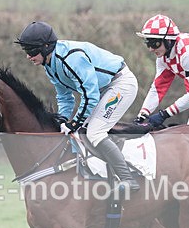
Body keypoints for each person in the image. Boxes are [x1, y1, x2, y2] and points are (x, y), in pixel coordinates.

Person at [15, 21, 141, 191]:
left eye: (31, 51)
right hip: (102, 89)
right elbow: (65, 97)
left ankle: (128, 179)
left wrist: (73, 123)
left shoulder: (71, 59)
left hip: (120, 85)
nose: (28, 56)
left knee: (94, 132)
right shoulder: (49, 65)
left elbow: (90, 95)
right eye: (26, 51)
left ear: (46, 47)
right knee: (81, 132)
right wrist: (62, 121)